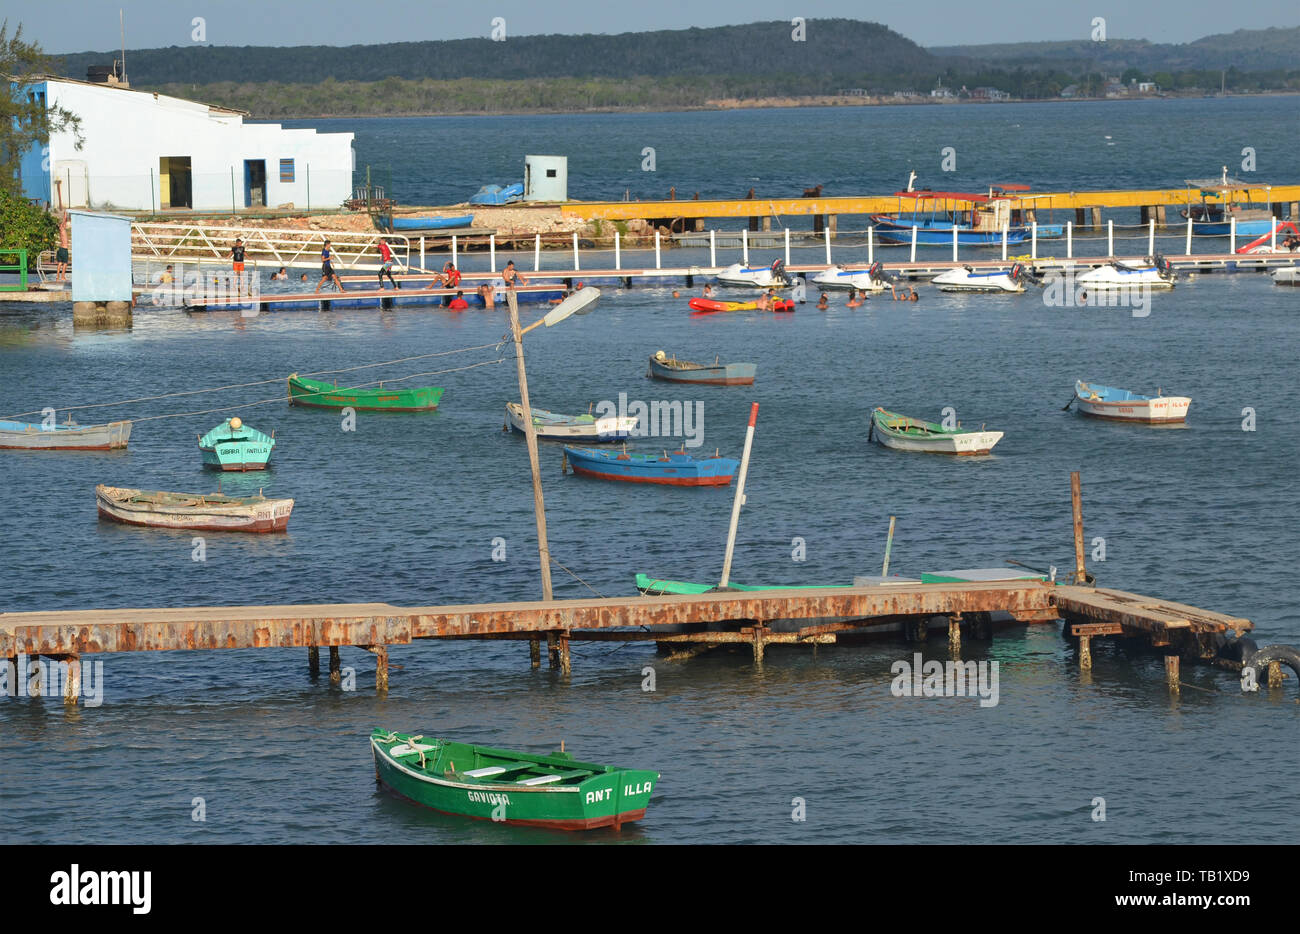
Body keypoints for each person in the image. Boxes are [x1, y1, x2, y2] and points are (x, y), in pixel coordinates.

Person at [55, 211, 69, 282]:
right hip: (64, 249)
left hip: (60, 249)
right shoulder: (62, 229)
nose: (64, 225)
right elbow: (64, 220)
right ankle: (63, 277)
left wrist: (65, 217)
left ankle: (57, 277)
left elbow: (64, 222)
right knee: (65, 263)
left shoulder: (61, 231)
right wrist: (65, 214)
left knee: (60, 263)